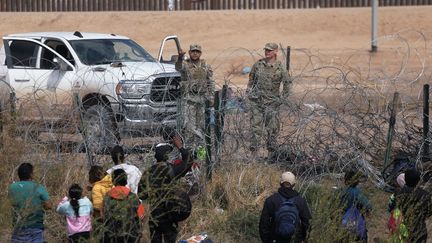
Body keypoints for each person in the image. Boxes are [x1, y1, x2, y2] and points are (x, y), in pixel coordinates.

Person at [138, 133, 193, 243]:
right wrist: (180, 147)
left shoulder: (148, 173)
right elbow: (189, 161)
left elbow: (142, 194)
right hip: (169, 215)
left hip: (154, 217)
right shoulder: (171, 170)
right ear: (167, 156)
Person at [247, 42, 290, 160]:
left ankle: (271, 156)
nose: (267, 52)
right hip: (257, 102)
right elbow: (251, 82)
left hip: (272, 104)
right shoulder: (258, 65)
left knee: (272, 130)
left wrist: (281, 100)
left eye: (270, 50)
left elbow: (287, 85)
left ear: (276, 51)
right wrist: (250, 96)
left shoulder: (280, 68)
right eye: (266, 50)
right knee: (255, 129)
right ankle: (253, 156)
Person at [175, 43, 215, 147]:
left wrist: (211, 97)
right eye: (193, 51)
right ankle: (189, 153)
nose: (195, 53)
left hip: (201, 100)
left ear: (200, 53)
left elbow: (210, 82)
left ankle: (200, 152)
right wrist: (180, 57)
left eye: (197, 51)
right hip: (189, 100)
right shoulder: (185, 64)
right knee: (189, 127)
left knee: (201, 127)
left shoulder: (205, 65)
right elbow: (178, 67)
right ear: (189, 53)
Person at [259, 171, 312, 243]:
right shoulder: (301, 201)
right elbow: (306, 223)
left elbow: (264, 223)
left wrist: (265, 240)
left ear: (281, 183)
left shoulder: (271, 200)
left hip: (275, 239)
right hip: (294, 240)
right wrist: (301, 238)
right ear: (294, 184)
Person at [8, 162, 52, 243]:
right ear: (31, 174)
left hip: (18, 227)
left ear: (19, 174)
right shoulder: (38, 187)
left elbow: (10, 203)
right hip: (35, 227)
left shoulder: (12, 187)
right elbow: (49, 206)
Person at [102, 169, 145, 243]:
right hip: (131, 235)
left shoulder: (107, 197)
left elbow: (103, 216)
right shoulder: (133, 197)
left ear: (113, 180)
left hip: (113, 235)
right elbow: (141, 216)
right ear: (126, 180)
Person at [393, 169, 432, 243]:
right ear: (418, 181)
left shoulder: (398, 193)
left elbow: (393, 209)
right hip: (419, 229)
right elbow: (429, 212)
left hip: (402, 227)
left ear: (405, 179)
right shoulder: (425, 195)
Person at [340, 170, 372, 242]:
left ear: (345, 180)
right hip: (355, 221)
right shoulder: (357, 192)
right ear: (357, 181)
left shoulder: (342, 191)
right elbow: (368, 205)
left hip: (343, 221)